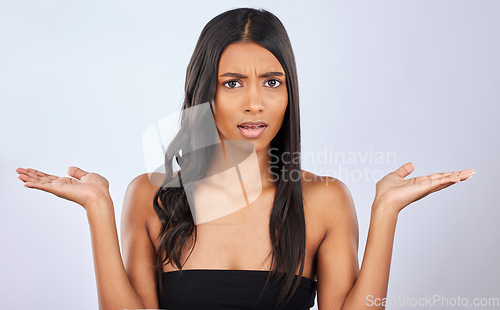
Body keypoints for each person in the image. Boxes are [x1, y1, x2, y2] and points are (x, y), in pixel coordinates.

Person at [15, 7, 474, 310]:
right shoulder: (152, 195)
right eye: (233, 82)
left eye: (272, 82)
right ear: (205, 92)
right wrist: (98, 208)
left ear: (289, 93)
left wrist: (386, 212)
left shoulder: (326, 199)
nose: (254, 103)